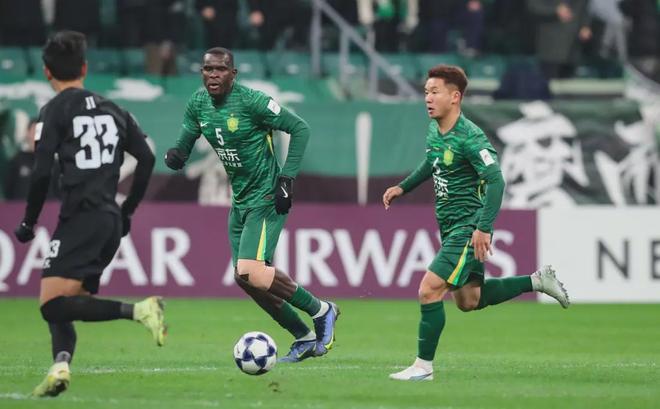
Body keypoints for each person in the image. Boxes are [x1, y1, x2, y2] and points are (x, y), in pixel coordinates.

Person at [382, 65, 570, 381]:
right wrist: (404, 186)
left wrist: (483, 228)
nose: (428, 98)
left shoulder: (471, 137)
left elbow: (496, 181)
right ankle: (537, 281)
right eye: (426, 92)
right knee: (470, 300)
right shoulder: (435, 130)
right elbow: (432, 161)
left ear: (455, 97)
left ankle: (423, 367)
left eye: (435, 92)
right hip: (449, 226)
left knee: (429, 290)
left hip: (467, 228)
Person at [13, 31, 165, 397]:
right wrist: (127, 211)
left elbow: (42, 173)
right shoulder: (114, 109)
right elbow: (146, 158)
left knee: (52, 306)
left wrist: (29, 221)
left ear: (47, 72)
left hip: (81, 217)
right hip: (108, 218)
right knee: (64, 301)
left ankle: (140, 311)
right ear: (84, 68)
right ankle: (60, 366)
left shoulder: (53, 111)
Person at [164, 47, 339, 363]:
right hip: (240, 201)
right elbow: (185, 143)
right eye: (208, 69)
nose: (213, 75)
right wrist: (177, 155)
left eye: (220, 69)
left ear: (233, 74)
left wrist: (287, 179)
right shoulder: (198, 103)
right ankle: (303, 337)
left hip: (266, 197)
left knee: (251, 270)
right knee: (245, 278)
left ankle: (322, 310)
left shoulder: (252, 102)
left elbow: (300, 128)